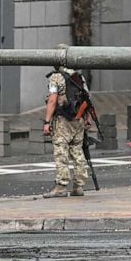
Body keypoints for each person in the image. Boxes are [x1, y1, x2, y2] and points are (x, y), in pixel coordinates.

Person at [42, 65, 88, 198]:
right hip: (78, 118)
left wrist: (47, 121)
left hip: (62, 120)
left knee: (61, 151)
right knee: (78, 150)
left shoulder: (56, 77)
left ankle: (61, 187)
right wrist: (87, 118)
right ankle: (79, 186)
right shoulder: (79, 76)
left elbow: (52, 100)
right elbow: (87, 98)